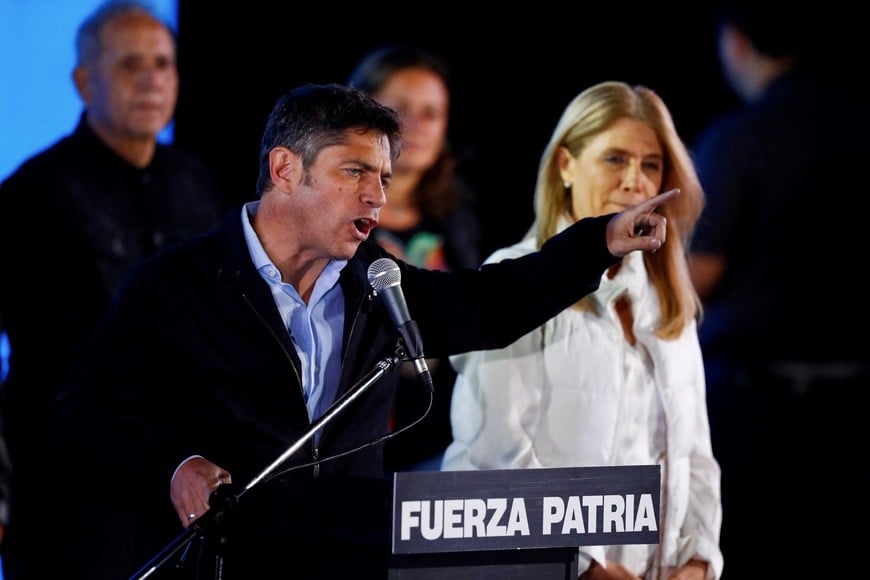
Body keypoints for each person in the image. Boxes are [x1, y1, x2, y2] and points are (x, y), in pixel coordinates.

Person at [49, 82, 677, 580]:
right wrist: (176, 463)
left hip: (348, 555)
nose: (376, 197)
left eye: (383, 177)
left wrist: (598, 242)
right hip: (226, 562)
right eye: (355, 172)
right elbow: (85, 413)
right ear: (285, 168)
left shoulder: (375, 285)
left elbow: (490, 303)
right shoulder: (176, 286)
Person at [442, 81, 723, 580]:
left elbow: (695, 456)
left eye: (651, 164)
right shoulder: (513, 277)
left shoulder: (669, 300)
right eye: (615, 159)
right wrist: (585, 566)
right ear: (565, 166)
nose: (635, 181)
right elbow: (493, 460)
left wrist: (699, 560)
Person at [0, 1, 227, 578]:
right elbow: (46, 356)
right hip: (70, 483)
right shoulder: (32, 193)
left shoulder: (197, 183)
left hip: (180, 475)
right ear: (84, 81)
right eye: (131, 65)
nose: (151, 79)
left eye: (163, 63)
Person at [687, 2, 870, 577]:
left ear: (735, 42)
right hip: (863, 400)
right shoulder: (865, 126)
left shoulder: (739, 139)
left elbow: (699, 279)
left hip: (753, 405)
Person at [347, 44, 483, 473]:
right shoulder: (330, 216)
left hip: (438, 445)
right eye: (402, 108)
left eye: (433, 112)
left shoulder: (455, 216)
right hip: (351, 448)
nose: (419, 125)